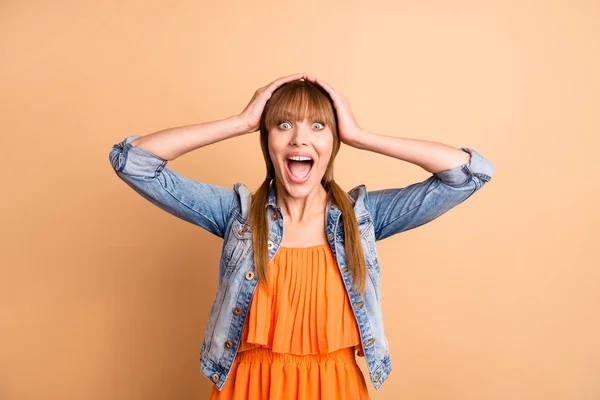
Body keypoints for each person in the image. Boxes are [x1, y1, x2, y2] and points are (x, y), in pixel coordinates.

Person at [109, 72, 496, 399]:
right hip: (248, 388)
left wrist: (361, 135)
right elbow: (134, 162)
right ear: (267, 140)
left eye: (317, 126)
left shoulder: (361, 219)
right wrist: (241, 122)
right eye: (282, 124)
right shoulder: (237, 216)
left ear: (334, 142)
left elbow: (468, 174)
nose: (298, 139)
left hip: (336, 388)